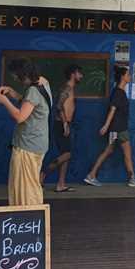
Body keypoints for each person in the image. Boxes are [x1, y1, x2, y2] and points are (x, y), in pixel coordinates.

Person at [0, 59, 51, 206]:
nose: (15, 79)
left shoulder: (33, 90)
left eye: (16, 76)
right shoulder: (43, 84)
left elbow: (20, 117)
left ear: (24, 74)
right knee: (30, 182)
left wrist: (4, 101)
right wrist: (13, 93)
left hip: (28, 145)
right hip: (38, 142)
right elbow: (31, 104)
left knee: (26, 187)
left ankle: (29, 217)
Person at [84, 66, 135, 188]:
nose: (130, 76)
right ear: (123, 77)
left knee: (108, 151)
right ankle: (132, 178)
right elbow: (112, 110)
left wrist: (108, 127)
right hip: (119, 129)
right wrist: (106, 126)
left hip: (116, 129)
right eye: (128, 74)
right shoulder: (118, 92)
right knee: (127, 153)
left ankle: (91, 175)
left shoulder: (119, 92)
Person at [42, 64, 83, 192]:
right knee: (67, 154)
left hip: (66, 124)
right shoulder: (67, 88)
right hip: (61, 124)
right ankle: (43, 174)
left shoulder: (71, 89)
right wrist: (65, 123)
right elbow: (59, 106)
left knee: (66, 154)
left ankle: (61, 184)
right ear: (73, 74)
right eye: (79, 73)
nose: (81, 76)